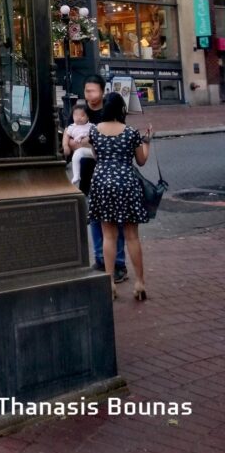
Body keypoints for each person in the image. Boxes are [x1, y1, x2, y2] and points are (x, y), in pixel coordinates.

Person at [88, 92, 152, 300]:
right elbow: (141, 160)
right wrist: (147, 142)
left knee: (108, 235)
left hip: (102, 182)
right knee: (132, 235)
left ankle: (110, 284)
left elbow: (96, 155)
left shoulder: (94, 131)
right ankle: (139, 283)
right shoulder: (131, 132)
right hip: (126, 182)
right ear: (121, 109)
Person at [81, 75, 127, 283]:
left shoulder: (110, 111)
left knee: (116, 222)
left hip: (110, 175)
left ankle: (118, 263)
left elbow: (117, 139)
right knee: (95, 220)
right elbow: (70, 140)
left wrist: (89, 142)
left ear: (102, 91)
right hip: (88, 174)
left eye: (92, 91)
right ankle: (100, 259)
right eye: (86, 91)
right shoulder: (80, 111)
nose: (89, 95)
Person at [61, 102, 93, 187]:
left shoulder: (91, 126)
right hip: (81, 150)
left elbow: (95, 135)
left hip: (92, 149)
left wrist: (88, 139)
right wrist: (65, 146)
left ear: (88, 117)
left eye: (82, 115)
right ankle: (76, 175)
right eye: (75, 115)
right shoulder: (72, 127)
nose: (78, 118)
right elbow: (66, 136)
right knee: (76, 156)